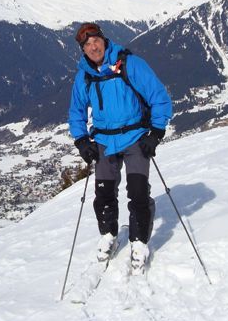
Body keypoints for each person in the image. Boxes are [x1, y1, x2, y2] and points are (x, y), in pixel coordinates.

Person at [68, 22, 172, 274]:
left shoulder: (129, 64)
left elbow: (159, 96)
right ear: (82, 50)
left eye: (96, 41)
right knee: (103, 194)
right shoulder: (84, 75)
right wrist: (82, 140)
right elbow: (76, 111)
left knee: (137, 192)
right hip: (104, 141)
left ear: (104, 41)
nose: (93, 47)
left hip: (135, 136)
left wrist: (156, 132)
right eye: (87, 45)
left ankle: (139, 242)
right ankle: (109, 235)